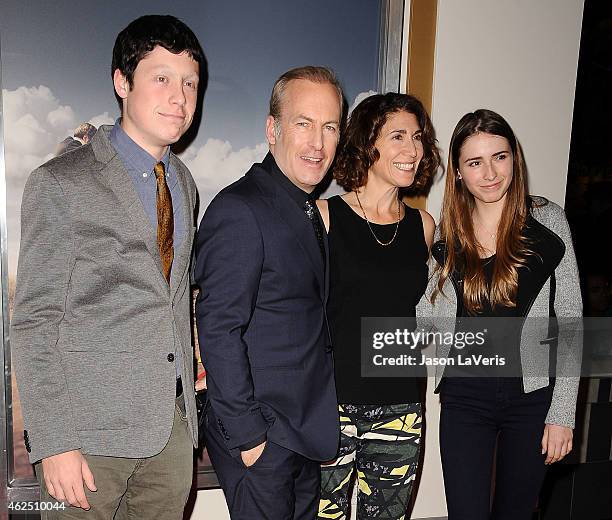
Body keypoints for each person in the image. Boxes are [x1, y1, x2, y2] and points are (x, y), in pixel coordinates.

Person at [10, 15, 205, 518]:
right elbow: (34, 320)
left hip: (171, 436)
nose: (179, 98)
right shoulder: (61, 182)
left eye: (189, 83)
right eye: (161, 78)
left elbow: (171, 301)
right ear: (122, 81)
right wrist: (53, 442)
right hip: (88, 443)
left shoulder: (183, 184)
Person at [193, 66, 342, 519]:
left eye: (330, 127)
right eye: (304, 123)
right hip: (265, 437)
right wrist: (251, 437)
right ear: (272, 129)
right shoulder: (241, 208)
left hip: (300, 433)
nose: (318, 143)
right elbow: (217, 328)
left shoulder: (304, 207)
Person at [419, 109, 582, 519]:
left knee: (517, 512)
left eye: (500, 156)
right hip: (463, 397)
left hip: (530, 398)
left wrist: (562, 414)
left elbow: (570, 319)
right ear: (457, 171)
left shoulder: (547, 220)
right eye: (475, 162)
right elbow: (429, 312)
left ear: (515, 159)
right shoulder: (447, 233)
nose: (490, 172)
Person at [316, 93, 441, 519]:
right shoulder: (325, 216)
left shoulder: (423, 227)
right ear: (367, 142)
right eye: (398, 136)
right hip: (331, 405)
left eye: (418, 137)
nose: (413, 149)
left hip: (401, 407)